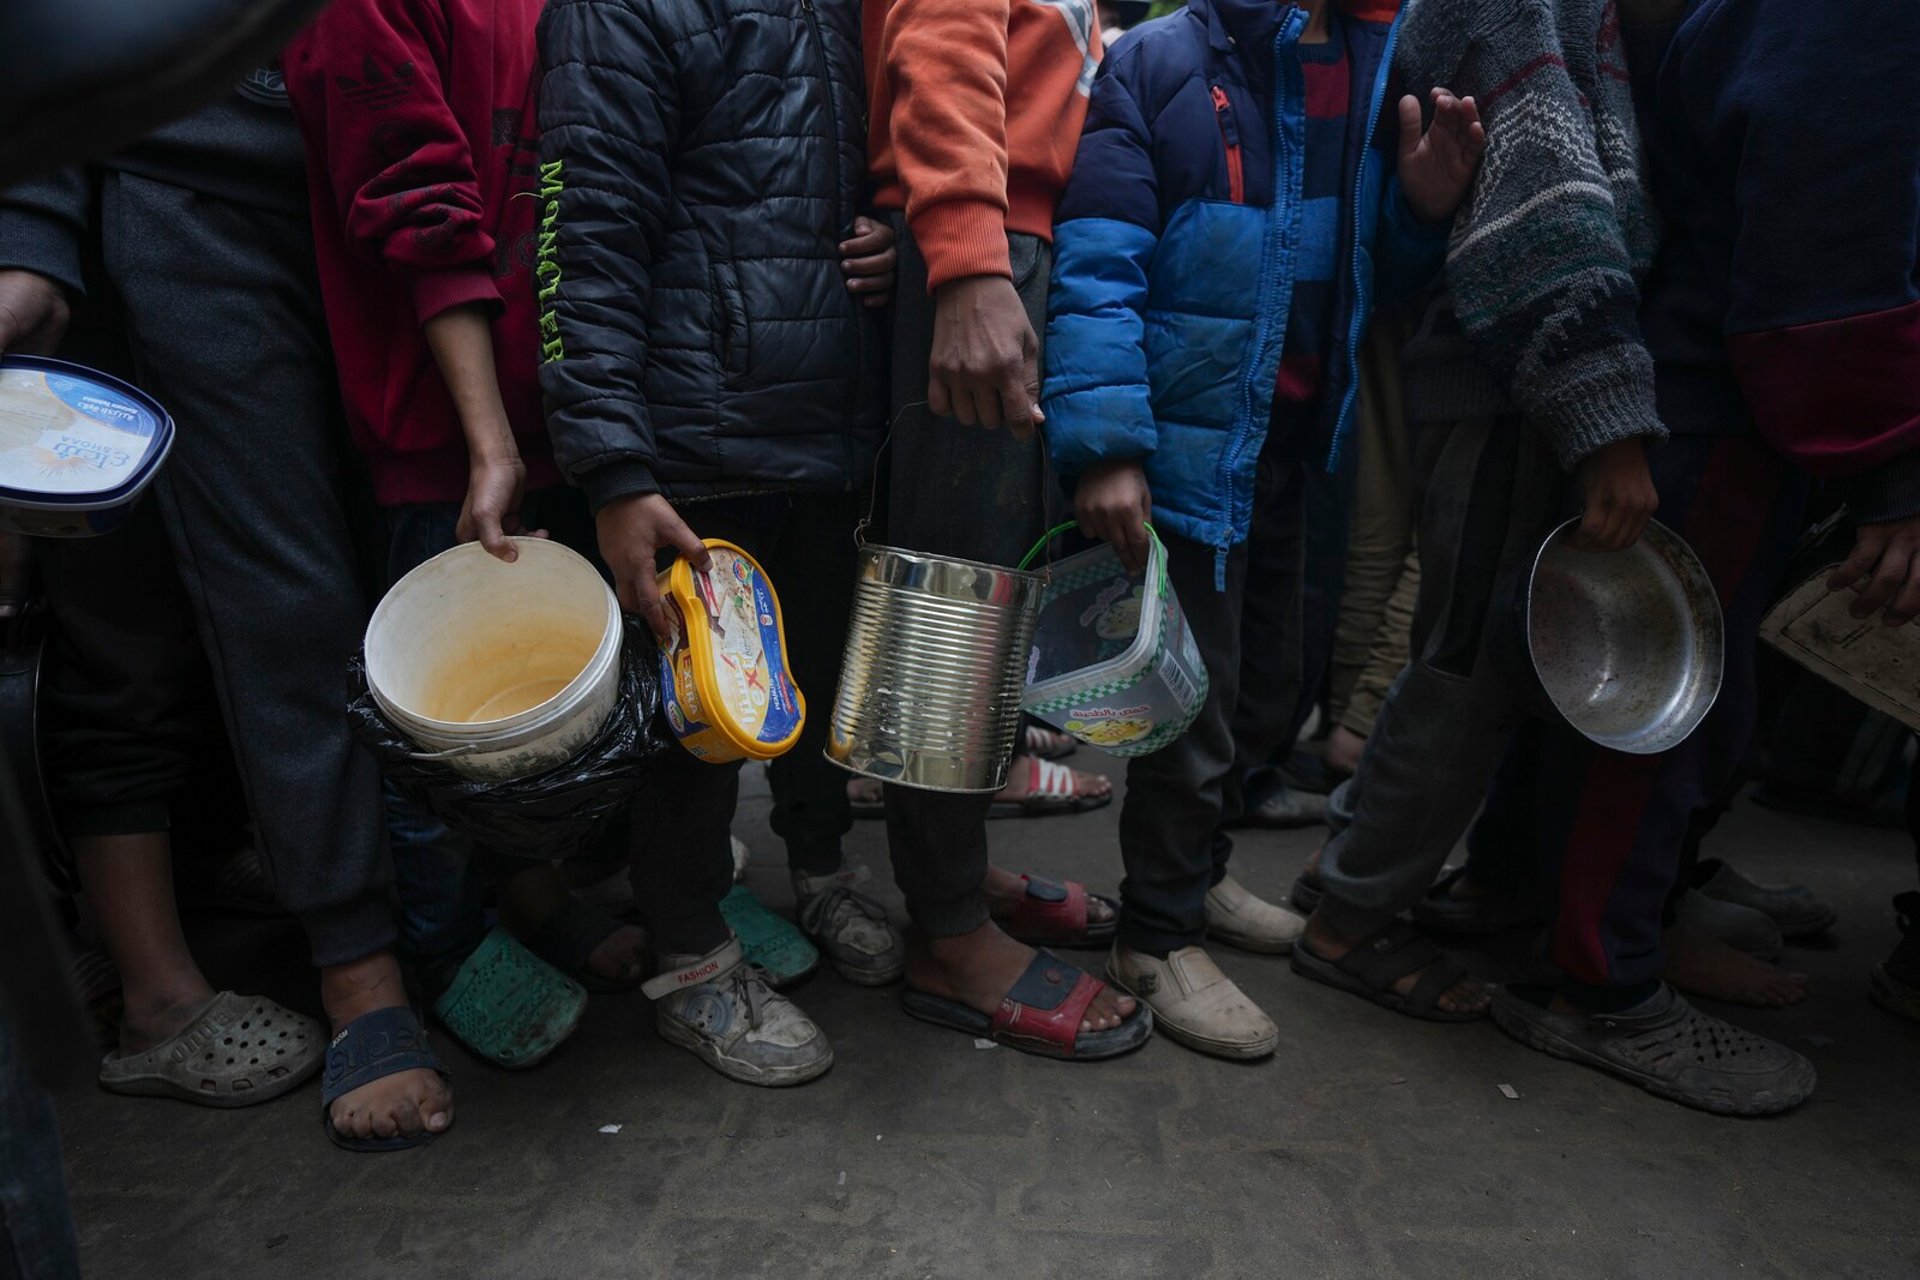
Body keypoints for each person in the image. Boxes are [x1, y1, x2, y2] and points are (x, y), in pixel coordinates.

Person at [0, 81, 450, 1149]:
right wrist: (34, 218)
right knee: (278, 594)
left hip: (390, 172)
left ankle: (437, 901)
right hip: (184, 173)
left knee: (421, 546)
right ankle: (357, 963)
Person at [1042, 0, 1481, 1058]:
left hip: (1294, 448)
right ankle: (1154, 933)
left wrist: (1421, 215)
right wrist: (1105, 446)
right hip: (1191, 454)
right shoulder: (1156, 64)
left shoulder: (1379, 67)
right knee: (1187, 713)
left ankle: (1203, 872)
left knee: (1267, 690)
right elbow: (1099, 264)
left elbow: (1372, 269)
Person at [535, 0, 916, 1085]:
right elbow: (583, 231)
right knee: (695, 725)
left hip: (831, 426)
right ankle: (692, 955)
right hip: (697, 434)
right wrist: (614, 468)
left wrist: (893, 246)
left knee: (814, 677)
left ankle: (821, 865)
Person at [849, 0, 1160, 1061]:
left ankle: (954, 867)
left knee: (994, 600)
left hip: (1007, 233)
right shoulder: (972, 248)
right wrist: (971, 261)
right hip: (978, 242)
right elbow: (938, 42)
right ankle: (945, 934)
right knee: (952, 609)